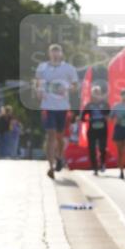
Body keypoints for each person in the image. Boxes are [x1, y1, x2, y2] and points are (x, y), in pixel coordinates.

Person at [35, 44, 78, 178]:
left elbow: (75, 86)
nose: (55, 54)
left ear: (61, 54)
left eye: (57, 52)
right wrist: (38, 92)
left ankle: (59, 157)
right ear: (49, 54)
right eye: (52, 52)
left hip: (63, 107)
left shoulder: (68, 68)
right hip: (48, 106)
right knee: (51, 135)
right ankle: (50, 167)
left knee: (60, 137)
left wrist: (66, 89)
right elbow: (37, 83)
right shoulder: (42, 67)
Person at [79, 85, 111, 175]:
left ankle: (102, 163)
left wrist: (107, 117)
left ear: (101, 94)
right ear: (92, 94)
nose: (97, 94)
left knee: (102, 147)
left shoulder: (105, 104)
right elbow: (82, 117)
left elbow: (110, 115)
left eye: (98, 92)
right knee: (92, 148)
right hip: (92, 129)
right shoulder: (89, 105)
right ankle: (95, 167)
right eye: (95, 92)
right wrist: (87, 119)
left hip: (102, 129)